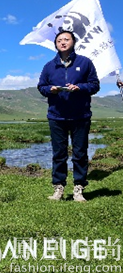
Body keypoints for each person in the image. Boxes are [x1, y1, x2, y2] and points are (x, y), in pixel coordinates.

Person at [37, 30, 100, 202]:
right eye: (59, 40)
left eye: (66, 39)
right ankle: (59, 188)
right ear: (55, 44)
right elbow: (41, 86)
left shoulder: (85, 63)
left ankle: (79, 188)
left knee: (80, 153)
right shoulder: (49, 66)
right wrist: (50, 89)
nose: (63, 42)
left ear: (73, 42)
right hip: (57, 117)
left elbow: (95, 85)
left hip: (80, 116)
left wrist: (80, 87)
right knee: (59, 154)